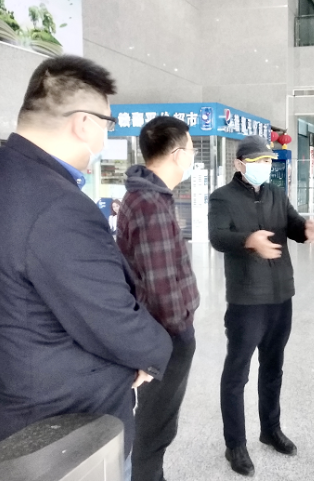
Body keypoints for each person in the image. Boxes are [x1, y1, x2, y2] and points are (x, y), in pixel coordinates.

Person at [0, 55, 173, 481]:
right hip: (68, 428)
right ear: (83, 123)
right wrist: (155, 351)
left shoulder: (1, 176)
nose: (106, 137)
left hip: (23, 404)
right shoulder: (57, 204)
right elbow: (110, 317)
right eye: (107, 124)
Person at [208, 135, 314, 477]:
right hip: (247, 299)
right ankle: (235, 444)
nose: (264, 167)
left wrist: (307, 230)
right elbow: (217, 236)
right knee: (237, 374)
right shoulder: (222, 197)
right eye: (257, 161)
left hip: (280, 296)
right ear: (239, 164)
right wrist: (248, 240)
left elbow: (293, 225)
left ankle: (270, 429)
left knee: (273, 368)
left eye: (268, 161)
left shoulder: (276, 193)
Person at [116, 116, 200, 481]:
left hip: (156, 331)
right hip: (166, 336)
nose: (193, 157)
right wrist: (179, 332)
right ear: (178, 154)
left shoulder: (147, 196)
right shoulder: (150, 204)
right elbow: (161, 285)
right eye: (192, 149)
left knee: (155, 422)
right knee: (156, 426)